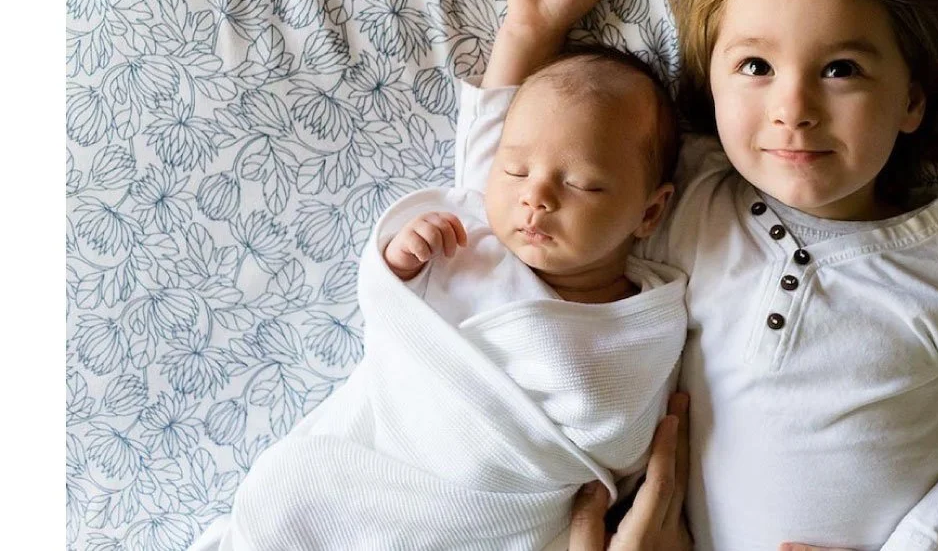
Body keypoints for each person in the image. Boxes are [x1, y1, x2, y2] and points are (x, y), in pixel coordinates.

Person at [471, 0, 938, 551]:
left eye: (841, 69)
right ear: (709, 82)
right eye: (755, 67)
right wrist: (528, 37)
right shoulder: (682, 200)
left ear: (912, 98)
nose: (793, 110)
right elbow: (514, 196)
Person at [189, 35, 691, 549]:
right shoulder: (469, 238)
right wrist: (400, 264)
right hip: (376, 469)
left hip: (489, 513)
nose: (534, 196)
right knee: (291, 494)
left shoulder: (645, 323)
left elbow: (624, 439)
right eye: (515, 170)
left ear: (650, 212)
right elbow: (397, 319)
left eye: (582, 183)